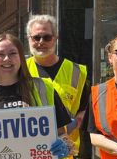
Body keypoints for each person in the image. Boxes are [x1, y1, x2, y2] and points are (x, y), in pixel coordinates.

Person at [23, 14, 88, 146]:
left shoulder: (77, 72)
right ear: (28, 39)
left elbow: (84, 108)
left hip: (66, 149)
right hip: (30, 149)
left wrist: (73, 125)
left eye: (47, 37)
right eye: (36, 37)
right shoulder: (20, 70)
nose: (41, 42)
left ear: (55, 38)